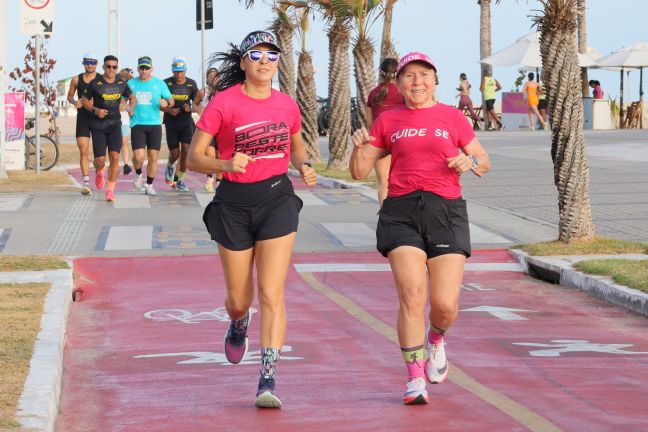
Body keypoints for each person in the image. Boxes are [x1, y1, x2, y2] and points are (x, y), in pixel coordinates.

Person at [349, 51, 490, 405]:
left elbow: (483, 160)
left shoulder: (453, 118)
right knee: (412, 296)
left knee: (445, 304)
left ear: (435, 81)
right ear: (398, 84)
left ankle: (437, 339)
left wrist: (468, 160)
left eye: (424, 75)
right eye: (409, 76)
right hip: (401, 211)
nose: (417, 82)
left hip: (446, 212)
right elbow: (358, 171)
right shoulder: (388, 119)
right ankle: (414, 377)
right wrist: (360, 148)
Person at [186, 30, 317, 409]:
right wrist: (224, 163)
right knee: (240, 300)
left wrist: (305, 166)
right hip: (233, 205)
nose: (264, 61)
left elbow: (296, 148)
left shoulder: (287, 105)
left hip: (277, 200)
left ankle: (268, 378)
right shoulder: (223, 104)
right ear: (243, 62)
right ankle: (239, 322)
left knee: (272, 293)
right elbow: (193, 159)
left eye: (271, 55)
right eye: (256, 55)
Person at [82, 55, 136, 202]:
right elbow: (84, 99)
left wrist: (131, 109)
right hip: (98, 126)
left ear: (117, 68)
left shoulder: (121, 83)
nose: (111, 69)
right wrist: (95, 110)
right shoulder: (95, 83)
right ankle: (99, 171)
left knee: (114, 158)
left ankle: (110, 191)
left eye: (114, 67)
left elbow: (132, 97)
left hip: (114, 125)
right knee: (100, 160)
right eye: (108, 66)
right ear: (104, 67)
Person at [127, 56, 174, 196]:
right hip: (137, 124)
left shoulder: (159, 84)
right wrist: (125, 107)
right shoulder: (130, 83)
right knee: (139, 157)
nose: (144, 70)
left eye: (147, 68)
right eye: (141, 68)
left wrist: (167, 103)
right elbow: (122, 100)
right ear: (137, 69)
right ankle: (138, 173)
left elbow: (170, 100)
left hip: (154, 125)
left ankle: (149, 184)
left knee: (153, 157)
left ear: (151, 69)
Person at [366, 58, 405, 205]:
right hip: (402, 140)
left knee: (384, 183)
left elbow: (371, 125)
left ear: (380, 73)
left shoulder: (373, 94)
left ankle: (385, 217)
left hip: (381, 143)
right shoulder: (403, 94)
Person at [162, 56, 199, 192]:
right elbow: (159, 103)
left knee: (186, 150)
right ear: (172, 71)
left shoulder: (191, 84)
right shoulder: (165, 83)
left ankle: (181, 180)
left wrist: (191, 108)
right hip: (171, 122)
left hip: (186, 122)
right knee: (175, 154)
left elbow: (196, 103)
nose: (178, 74)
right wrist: (169, 110)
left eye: (181, 71)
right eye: (176, 71)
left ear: (185, 71)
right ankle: (170, 165)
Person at [66, 52, 98, 195]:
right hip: (83, 119)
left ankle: (99, 170)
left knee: (100, 157)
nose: (90, 65)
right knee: (83, 152)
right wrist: (75, 102)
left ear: (97, 64)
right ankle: (86, 183)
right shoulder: (76, 79)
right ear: (83, 63)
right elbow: (69, 96)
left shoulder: (101, 79)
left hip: (99, 120)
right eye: (87, 62)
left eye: (92, 62)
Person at [193, 67, 221, 192]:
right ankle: (209, 178)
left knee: (219, 156)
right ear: (207, 78)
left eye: (215, 76)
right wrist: (199, 110)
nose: (213, 78)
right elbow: (194, 105)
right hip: (207, 128)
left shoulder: (223, 92)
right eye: (210, 76)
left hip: (221, 128)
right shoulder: (202, 92)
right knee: (210, 155)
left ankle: (219, 182)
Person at [118, 68, 134, 175]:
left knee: (124, 142)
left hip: (124, 119)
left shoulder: (127, 87)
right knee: (111, 143)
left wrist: (128, 108)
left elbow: (132, 99)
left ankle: (126, 164)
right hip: (111, 118)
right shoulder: (112, 86)